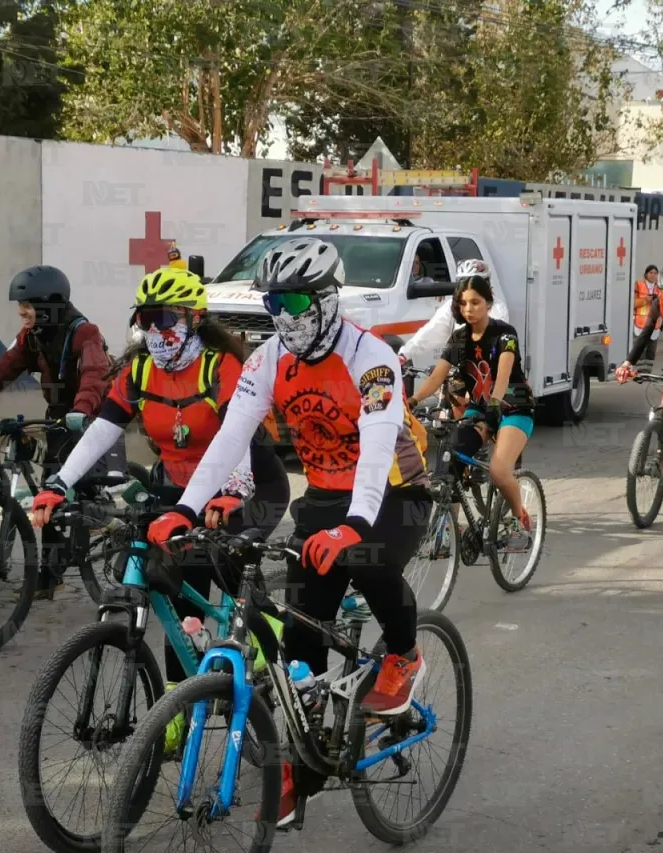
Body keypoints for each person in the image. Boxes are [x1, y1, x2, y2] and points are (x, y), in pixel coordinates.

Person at [139, 238, 431, 824]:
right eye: (274, 300)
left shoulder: (370, 358)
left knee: (367, 557)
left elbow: (376, 450)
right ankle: (305, 762)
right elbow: (228, 440)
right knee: (300, 637)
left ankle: (404, 654)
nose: (283, 314)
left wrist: (354, 524)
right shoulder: (268, 359)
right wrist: (188, 509)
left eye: (295, 299)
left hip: (394, 491)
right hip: (325, 495)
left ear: (325, 300)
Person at [29, 265, 290, 679]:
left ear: (195, 318)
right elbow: (103, 430)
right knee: (180, 600)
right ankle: (177, 705)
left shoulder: (220, 367)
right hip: (182, 489)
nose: (154, 330)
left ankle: (269, 626)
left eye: (164, 318)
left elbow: (238, 436)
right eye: (144, 318)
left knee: (221, 566)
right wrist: (59, 484)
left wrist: (233, 492)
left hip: (251, 485)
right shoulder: (141, 370)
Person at [0, 265, 113, 599]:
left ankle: (102, 525)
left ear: (49, 304)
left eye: (28, 304)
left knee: (68, 486)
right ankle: (50, 576)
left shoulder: (83, 332)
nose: (21, 311)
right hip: (59, 417)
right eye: (20, 305)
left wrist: (81, 410)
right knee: (50, 491)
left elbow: (96, 374)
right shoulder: (31, 337)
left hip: (90, 416)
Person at [409, 273, 537, 550]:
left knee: (499, 471)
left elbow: (503, 373)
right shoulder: (459, 338)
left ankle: (519, 523)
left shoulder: (505, 333)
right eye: (464, 303)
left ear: (488, 303)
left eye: (476, 302)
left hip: (514, 407)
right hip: (479, 409)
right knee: (449, 463)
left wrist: (494, 403)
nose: (469, 309)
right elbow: (436, 378)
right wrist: (413, 401)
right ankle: (445, 533)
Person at [398, 259, 508, 365]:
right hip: (457, 371)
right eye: (463, 285)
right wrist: (404, 355)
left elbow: (494, 338)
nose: (467, 289)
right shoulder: (452, 305)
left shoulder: (497, 308)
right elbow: (431, 332)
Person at [631, 265, 663, 363]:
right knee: (639, 352)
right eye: (651, 273)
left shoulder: (660, 287)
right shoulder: (638, 285)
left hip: (654, 326)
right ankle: (638, 374)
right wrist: (645, 300)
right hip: (640, 325)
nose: (653, 275)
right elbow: (633, 303)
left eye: (655, 273)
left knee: (651, 353)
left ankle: (648, 374)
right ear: (646, 274)